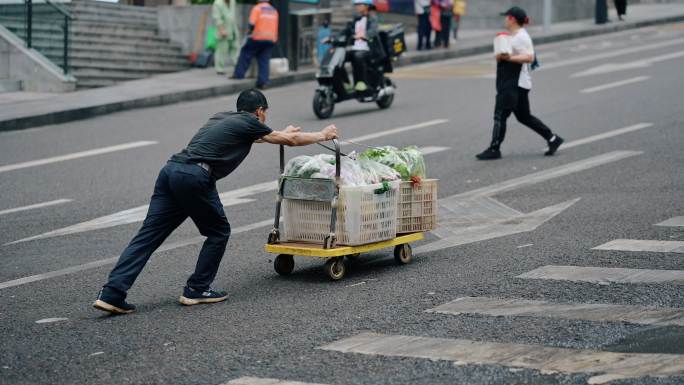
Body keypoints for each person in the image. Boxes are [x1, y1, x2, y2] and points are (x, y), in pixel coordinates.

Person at [93, 89, 339, 314]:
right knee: (219, 232)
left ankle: (112, 293)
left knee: (148, 235)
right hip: (194, 177)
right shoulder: (250, 122)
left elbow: (262, 137)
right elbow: (288, 141)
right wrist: (323, 134)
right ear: (260, 111)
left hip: (170, 172)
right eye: (264, 114)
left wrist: (282, 134)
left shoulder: (222, 117)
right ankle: (197, 289)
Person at [476, 6, 564, 161]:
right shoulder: (514, 35)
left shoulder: (522, 36)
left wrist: (507, 58)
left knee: (500, 115)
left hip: (514, 84)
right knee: (524, 116)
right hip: (517, 83)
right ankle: (552, 138)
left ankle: (494, 148)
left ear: (512, 19)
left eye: (506, 17)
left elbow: (529, 57)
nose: (504, 20)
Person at [231, 0, 279, 89]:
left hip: (257, 37)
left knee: (245, 53)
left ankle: (238, 74)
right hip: (270, 39)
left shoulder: (257, 9)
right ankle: (263, 82)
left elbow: (252, 24)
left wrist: (249, 32)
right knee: (264, 60)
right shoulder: (274, 11)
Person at [344, 0, 379, 92]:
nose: (357, 7)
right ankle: (345, 83)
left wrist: (365, 35)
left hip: (368, 49)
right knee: (340, 57)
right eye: (356, 5)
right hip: (356, 48)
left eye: (359, 4)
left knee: (358, 56)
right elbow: (346, 31)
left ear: (367, 6)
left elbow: (373, 31)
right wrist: (332, 38)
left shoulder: (373, 18)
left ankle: (361, 82)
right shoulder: (356, 19)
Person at [212, 0, 240, 75]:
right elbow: (217, 18)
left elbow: (233, 16)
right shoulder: (217, 3)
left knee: (236, 48)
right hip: (223, 30)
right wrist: (222, 30)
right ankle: (219, 69)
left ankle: (238, 66)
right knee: (221, 50)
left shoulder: (233, 2)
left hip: (233, 30)